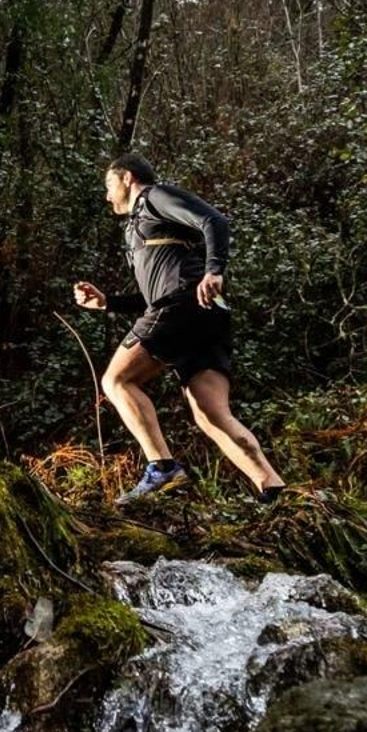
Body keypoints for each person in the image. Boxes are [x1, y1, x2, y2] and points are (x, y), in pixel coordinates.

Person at [72, 153, 286, 505]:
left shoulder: (153, 198)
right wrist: (107, 302)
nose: (107, 196)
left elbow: (213, 219)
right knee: (211, 415)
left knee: (117, 381)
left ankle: (162, 467)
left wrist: (214, 270)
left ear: (127, 178)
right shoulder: (145, 227)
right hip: (204, 312)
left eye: (109, 186)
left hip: (183, 305)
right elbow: (152, 295)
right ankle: (274, 489)